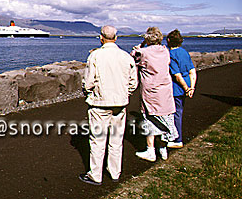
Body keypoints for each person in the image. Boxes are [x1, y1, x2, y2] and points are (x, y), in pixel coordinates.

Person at [79, 25, 138, 186]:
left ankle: (95, 175)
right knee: (116, 139)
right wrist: (125, 93)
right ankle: (115, 172)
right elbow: (133, 83)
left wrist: (89, 93)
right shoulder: (126, 57)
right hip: (120, 103)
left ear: (101, 38)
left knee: (97, 140)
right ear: (116, 38)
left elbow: (88, 82)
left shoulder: (95, 56)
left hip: (100, 103)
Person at [131, 27, 178, 162]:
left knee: (149, 119)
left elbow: (132, 58)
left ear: (147, 38)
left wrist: (140, 45)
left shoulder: (143, 52)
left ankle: (150, 150)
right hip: (165, 90)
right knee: (166, 116)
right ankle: (163, 149)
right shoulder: (165, 51)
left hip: (151, 91)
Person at [166, 29, 197, 149]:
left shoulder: (172, 54)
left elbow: (177, 75)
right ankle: (175, 137)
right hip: (187, 84)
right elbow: (192, 71)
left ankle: (177, 138)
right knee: (179, 111)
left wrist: (186, 88)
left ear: (169, 40)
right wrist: (191, 87)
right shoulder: (184, 52)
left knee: (175, 113)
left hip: (177, 88)